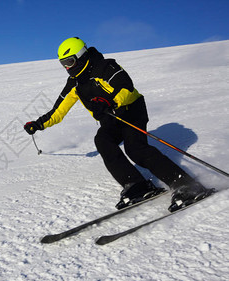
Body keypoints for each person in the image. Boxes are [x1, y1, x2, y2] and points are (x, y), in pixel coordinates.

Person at [24, 37, 210, 212]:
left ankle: (185, 184)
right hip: (109, 119)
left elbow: (126, 88)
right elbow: (58, 111)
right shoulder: (74, 82)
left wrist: (110, 102)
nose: (67, 67)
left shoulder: (105, 66)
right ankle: (136, 184)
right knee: (103, 140)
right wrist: (38, 124)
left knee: (135, 149)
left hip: (131, 110)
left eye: (69, 62)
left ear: (80, 57)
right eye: (63, 64)